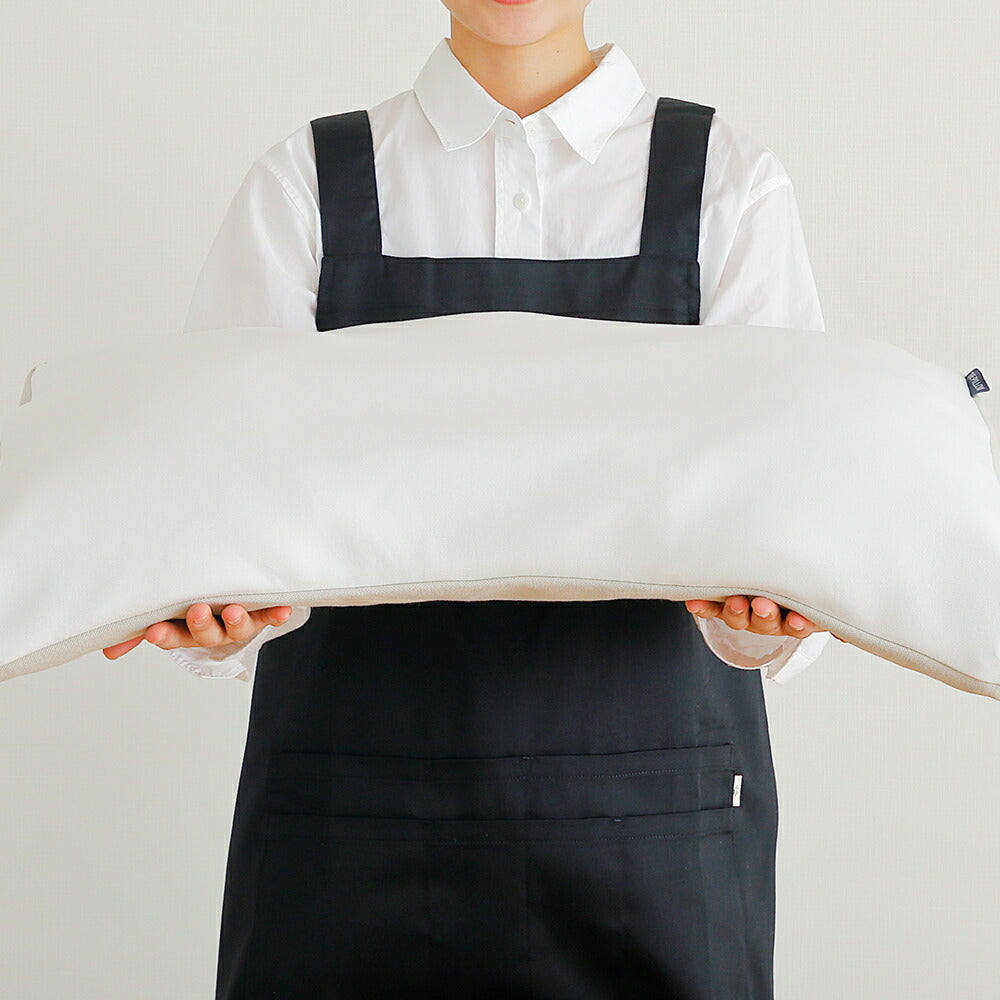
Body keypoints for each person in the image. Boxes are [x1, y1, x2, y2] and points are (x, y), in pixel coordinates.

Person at [105, 1, 840, 996]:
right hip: (348, 836)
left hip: (660, 836)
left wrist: (766, 619)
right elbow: (218, 512)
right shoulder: (305, 184)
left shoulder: (727, 185)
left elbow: (792, 534)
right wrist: (214, 616)